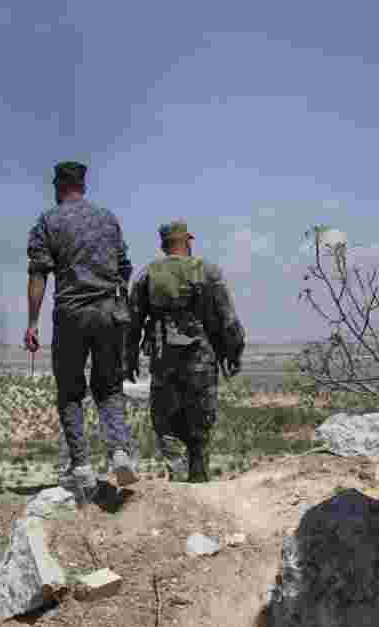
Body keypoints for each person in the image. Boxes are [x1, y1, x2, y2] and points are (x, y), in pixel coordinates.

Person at [25, 161, 140, 493]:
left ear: (58, 186)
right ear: (83, 186)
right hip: (110, 312)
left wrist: (33, 323)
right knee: (109, 388)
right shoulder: (108, 219)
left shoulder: (49, 221)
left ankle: (82, 466)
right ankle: (119, 453)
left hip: (72, 313)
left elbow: (38, 273)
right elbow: (125, 267)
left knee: (71, 392)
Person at [125, 220, 244, 483]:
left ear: (163, 245)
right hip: (201, 360)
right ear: (187, 241)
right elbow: (229, 321)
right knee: (200, 422)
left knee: (167, 422)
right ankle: (199, 481)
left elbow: (132, 323)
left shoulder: (147, 275)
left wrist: (129, 357)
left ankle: (177, 484)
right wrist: (233, 353)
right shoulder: (208, 271)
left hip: (162, 360)